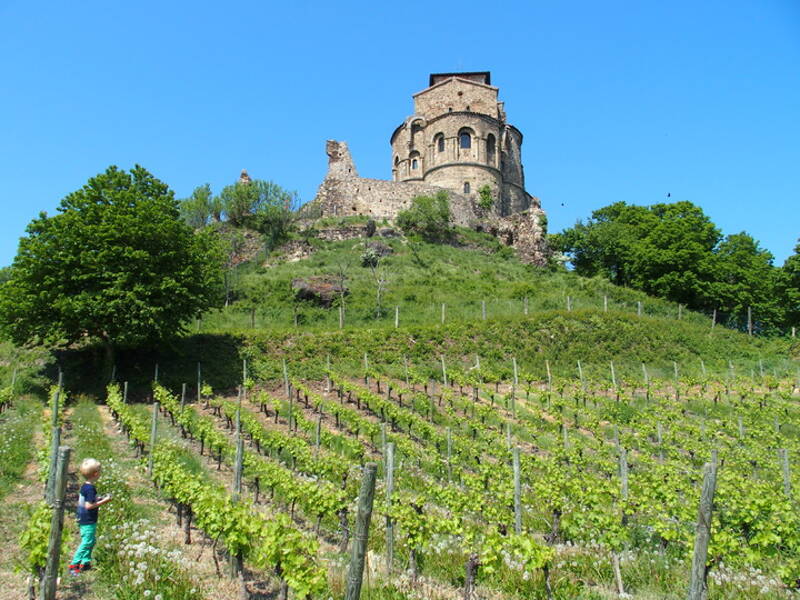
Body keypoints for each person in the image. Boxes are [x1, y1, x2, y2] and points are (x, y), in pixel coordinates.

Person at [68, 458, 113, 575]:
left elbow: (87, 501)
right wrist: (105, 501)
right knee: (87, 541)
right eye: (100, 470)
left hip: (84, 518)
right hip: (88, 519)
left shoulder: (85, 486)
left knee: (91, 540)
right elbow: (89, 506)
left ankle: (85, 562)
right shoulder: (90, 489)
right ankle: (74, 564)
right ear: (96, 474)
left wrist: (98, 499)